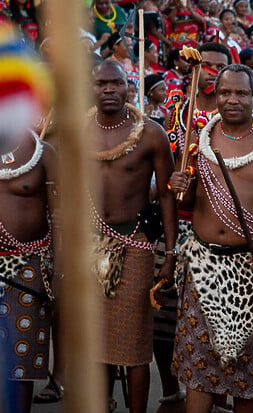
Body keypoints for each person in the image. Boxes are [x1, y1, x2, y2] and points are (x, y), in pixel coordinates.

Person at [168, 64, 253, 413]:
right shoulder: (198, 142)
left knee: (248, 364)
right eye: (225, 92)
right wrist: (179, 185)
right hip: (203, 264)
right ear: (215, 96)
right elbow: (184, 196)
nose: (232, 99)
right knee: (200, 362)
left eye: (241, 93)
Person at [89, 60, 177, 413]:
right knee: (94, 341)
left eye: (116, 83)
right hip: (89, 243)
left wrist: (169, 254)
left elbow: (168, 193)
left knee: (136, 343)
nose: (108, 89)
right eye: (101, 84)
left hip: (136, 243)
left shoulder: (150, 133)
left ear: (128, 87)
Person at [0, 122, 57, 413]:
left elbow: (63, 217)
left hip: (29, 269)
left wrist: (62, 272)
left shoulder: (44, 153)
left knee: (21, 358)